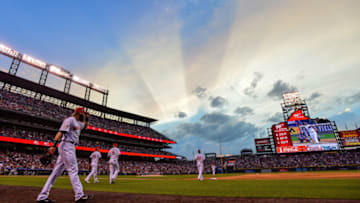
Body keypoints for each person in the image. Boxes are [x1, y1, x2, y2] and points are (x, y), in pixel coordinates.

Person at [36, 107, 93, 203]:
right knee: (73, 170)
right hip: (66, 145)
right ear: (79, 113)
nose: (83, 115)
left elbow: (86, 126)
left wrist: (87, 118)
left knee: (55, 173)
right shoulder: (70, 120)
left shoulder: (79, 123)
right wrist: (53, 146)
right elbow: (61, 132)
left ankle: (42, 197)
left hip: (70, 147)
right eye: (83, 114)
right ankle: (79, 195)